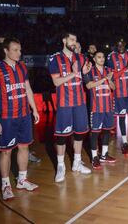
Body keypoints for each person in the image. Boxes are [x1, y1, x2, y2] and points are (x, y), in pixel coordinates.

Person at [0, 37, 40, 201]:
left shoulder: (22, 66)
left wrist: (35, 109)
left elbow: (28, 89)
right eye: (15, 50)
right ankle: (5, 184)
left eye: (20, 50)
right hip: (6, 117)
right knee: (6, 151)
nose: (19, 53)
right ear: (6, 50)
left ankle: (22, 180)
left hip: (24, 115)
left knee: (24, 147)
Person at [49, 32, 92, 183]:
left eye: (76, 40)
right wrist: (74, 73)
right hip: (64, 103)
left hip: (80, 102)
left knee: (80, 133)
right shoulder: (55, 58)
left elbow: (85, 76)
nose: (74, 42)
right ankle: (60, 166)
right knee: (62, 135)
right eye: (72, 39)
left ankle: (77, 162)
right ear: (64, 40)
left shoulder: (80, 58)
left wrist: (86, 71)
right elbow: (56, 82)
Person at [85, 51, 117, 169]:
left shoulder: (109, 70)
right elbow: (88, 86)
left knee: (107, 131)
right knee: (95, 133)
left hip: (108, 107)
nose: (102, 59)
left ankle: (104, 154)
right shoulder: (90, 70)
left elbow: (113, 87)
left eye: (103, 57)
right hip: (96, 108)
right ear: (94, 59)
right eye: (99, 57)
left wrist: (109, 80)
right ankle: (94, 157)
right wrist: (104, 79)